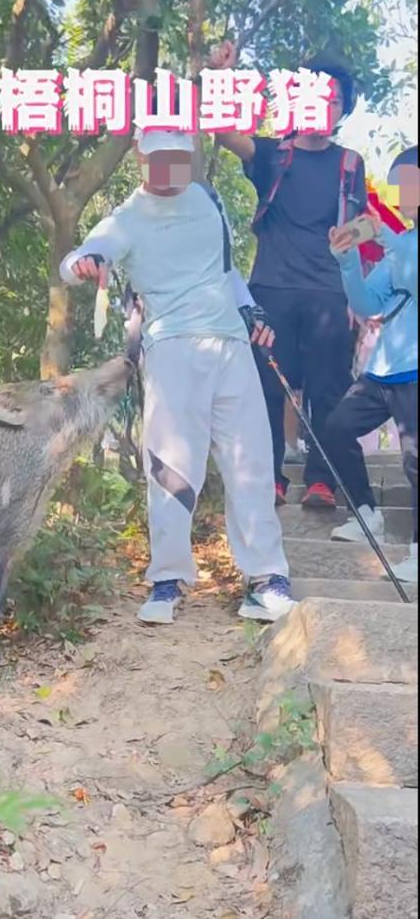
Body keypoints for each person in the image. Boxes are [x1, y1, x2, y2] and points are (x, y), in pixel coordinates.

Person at [60, 125, 297, 623]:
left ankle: (266, 579)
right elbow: (81, 257)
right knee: (170, 466)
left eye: (177, 156)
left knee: (251, 461)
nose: (169, 168)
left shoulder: (207, 199)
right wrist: (86, 263)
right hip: (171, 347)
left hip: (230, 342)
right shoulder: (128, 217)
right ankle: (167, 580)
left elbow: (226, 271)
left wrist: (252, 314)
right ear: (142, 160)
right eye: (158, 158)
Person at [210, 42, 369, 509]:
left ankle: (322, 479)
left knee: (328, 387)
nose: (325, 104)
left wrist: (356, 301)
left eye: (335, 98)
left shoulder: (350, 164)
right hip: (271, 290)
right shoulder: (273, 154)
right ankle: (270, 476)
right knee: (265, 385)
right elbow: (224, 134)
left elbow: (354, 235)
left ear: (343, 109)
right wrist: (223, 76)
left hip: (328, 291)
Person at [326, 145, 418, 584]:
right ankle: (365, 512)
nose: (399, 191)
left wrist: (390, 241)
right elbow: (367, 303)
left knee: (415, 461)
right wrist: (347, 262)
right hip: (383, 370)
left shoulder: (401, 246)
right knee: (336, 428)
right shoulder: (399, 247)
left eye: (407, 181)